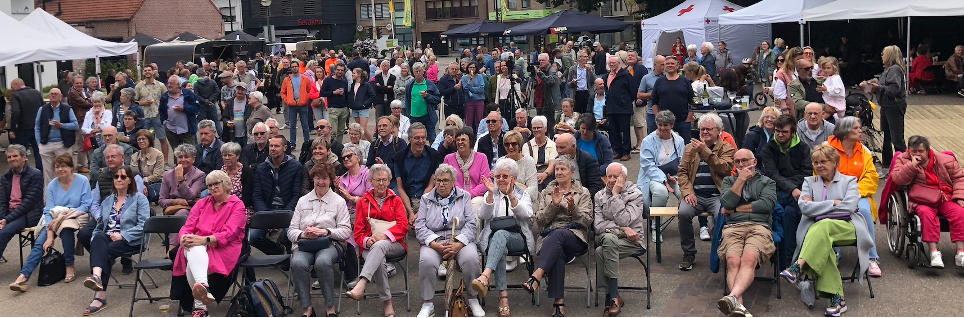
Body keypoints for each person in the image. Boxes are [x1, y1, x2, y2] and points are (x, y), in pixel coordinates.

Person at [781, 144, 873, 317]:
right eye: (816, 162)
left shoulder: (850, 181)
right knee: (825, 245)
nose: (819, 166)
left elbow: (849, 208)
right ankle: (837, 299)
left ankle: (798, 266)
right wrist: (834, 203)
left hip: (848, 227)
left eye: (823, 161)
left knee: (822, 225)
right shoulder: (809, 182)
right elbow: (804, 208)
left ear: (834, 162)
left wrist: (817, 206)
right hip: (821, 233)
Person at [521, 154, 593, 317]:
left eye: (563, 169)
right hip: (549, 237)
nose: (559, 172)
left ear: (572, 172)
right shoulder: (546, 192)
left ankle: (537, 275)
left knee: (559, 234)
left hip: (575, 235)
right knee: (557, 249)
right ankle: (558, 304)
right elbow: (539, 221)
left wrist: (573, 209)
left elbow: (588, 221)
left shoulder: (583, 192)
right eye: (557, 169)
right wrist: (553, 205)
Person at [169, 170, 248, 317]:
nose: (212, 188)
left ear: (226, 184)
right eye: (209, 185)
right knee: (192, 245)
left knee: (192, 261)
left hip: (224, 246)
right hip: (197, 246)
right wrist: (183, 238)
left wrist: (204, 240)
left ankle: (201, 307)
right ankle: (202, 288)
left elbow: (229, 233)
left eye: (216, 184)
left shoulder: (237, 205)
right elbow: (188, 226)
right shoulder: (202, 203)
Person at [8, 154, 92, 292]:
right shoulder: (52, 185)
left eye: (64, 166)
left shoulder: (82, 180)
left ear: (71, 167)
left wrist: (66, 214)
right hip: (55, 218)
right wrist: (50, 236)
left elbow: (86, 205)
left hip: (76, 215)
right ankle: (24, 276)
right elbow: (48, 211)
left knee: (66, 229)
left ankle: (69, 265)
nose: (60, 169)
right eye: (57, 167)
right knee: (41, 243)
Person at [414, 164, 484, 317]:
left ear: (453, 182)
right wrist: (434, 244)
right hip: (435, 239)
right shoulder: (426, 199)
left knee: (471, 258)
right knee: (426, 261)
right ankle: (428, 304)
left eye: (445, 180)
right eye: (438, 180)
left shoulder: (464, 196)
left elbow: (472, 224)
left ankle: (473, 299)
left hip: (460, 239)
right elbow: (419, 226)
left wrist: (459, 244)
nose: (441, 184)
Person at [716, 149, 777, 317]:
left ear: (754, 162)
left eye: (745, 161)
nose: (741, 165)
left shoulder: (767, 182)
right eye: (738, 162)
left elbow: (766, 205)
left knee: (749, 258)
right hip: (733, 227)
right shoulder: (729, 181)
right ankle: (739, 304)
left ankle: (733, 297)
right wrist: (740, 180)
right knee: (733, 261)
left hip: (759, 226)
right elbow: (726, 202)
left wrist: (734, 209)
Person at [81, 165, 150, 315]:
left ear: (130, 180)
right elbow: (100, 226)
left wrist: (123, 235)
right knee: (98, 237)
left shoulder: (140, 199)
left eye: (123, 177)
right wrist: (94, 242)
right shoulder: (108, 201)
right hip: (108, 238)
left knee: (107, 251)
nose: (118, 179)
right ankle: (97, 276)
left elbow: (144, 225)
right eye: (116, 177)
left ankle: (100, 296)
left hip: (132, 241)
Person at [472, 158, 535, 317]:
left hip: (518, 239)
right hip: (495, 241)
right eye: (498, 176)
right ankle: (503, 298)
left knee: (500, 237)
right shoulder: (490, 193)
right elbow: (483, 216)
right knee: (499, 243)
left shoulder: (523, 194)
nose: (500, 179)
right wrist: (491, 196)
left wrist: (512, 196)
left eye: (505, 176)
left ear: (513, 178)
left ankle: (485, 276)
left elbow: (526, 215)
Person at [345, 164, 410, 318]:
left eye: (384, 180)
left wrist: (385, 235)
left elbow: (403, 226)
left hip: (395, 244)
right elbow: (358, 232)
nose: (381, 183)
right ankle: (387, 302)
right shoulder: (362, 202)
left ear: (389, 182)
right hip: (370, 246)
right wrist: (366, 240)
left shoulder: (396, 200)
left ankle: (362, 283)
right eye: (378, 180)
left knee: (380, 245)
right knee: (378, 259)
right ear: (371, 181)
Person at [289, 163, 353, 317]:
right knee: (297, 262)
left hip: (330, 243)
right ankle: (307, 309)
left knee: (322, 262)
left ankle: (330, 308)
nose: (321, 182)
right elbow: (291, 231)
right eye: (318, 178)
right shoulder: (303, 201)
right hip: (304, 244)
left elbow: (346, 232)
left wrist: (325, 231)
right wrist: (305, 234)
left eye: (325, 178)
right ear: (313, 179)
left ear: (331, 180)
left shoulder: (339, 201)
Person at [891, 136, 964, 268]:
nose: (917, 154)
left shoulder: (946, 160)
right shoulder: (903, 160)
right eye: (914, 151)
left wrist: (959, 196)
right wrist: (912, 165)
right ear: (909, 150)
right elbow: (898, 179)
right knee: (926, 214)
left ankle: (961, 253)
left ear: (928, 150)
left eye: (920, 151)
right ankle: (934, 252)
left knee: (959, 212)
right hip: (922, 199)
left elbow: (959, 179)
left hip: (944, 197)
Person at [677, 113, 736, 270]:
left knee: (722, 215)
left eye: (709, 129)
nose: (704, 132)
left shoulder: (727, 148)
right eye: (702, 129)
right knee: (683, 213)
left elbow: (725, 169)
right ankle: (689, 253)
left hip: (717, 195)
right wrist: (688, 192)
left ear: (718, 130)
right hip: (695, 195)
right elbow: (682, 173)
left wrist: (705, 152)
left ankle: (720, 253)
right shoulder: (690, 148)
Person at [826, 116, 882, 276]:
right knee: (834, 209)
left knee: (864, 210)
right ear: (844, 132)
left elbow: (871, 177)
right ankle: (834, 253)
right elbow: (820, 173)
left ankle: (872, 257)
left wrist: (853, 193)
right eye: (856, 128)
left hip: (858, 194)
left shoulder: (864, 151)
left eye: (860, 128)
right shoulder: (827, 149)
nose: (860, 131)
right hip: (833, 194)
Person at [758, 114, 813, 269]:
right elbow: (772, 174)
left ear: (793, 133)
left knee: (790, 214)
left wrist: (791, 187)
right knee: (792, 209)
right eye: (777, 131)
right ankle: (791, 260)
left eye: (784, 132)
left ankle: (786, 260)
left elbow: (806, 173)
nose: (780, 135)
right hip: (778, 193)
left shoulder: (803, 148)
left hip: (795, 193)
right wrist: (793, 189)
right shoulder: (768, 148)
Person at [594, 162, 646, 316]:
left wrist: (616, 195)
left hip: (633, 241)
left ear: (624, 178)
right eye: (609, 176)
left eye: (615, 177)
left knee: (600, 251)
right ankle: (614, 297)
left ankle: (610, 297)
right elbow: (597, 226)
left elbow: (625, 219)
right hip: (610, 239)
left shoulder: (635, 194)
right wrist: (622, 229)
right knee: (608, 240)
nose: (611, 180)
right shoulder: (599, 196)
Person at [637, 111, 685, 241]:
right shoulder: (648, 141)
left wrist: (677, 176)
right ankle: (656, 227)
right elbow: (647, 165)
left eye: (666, 125)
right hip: (652, 175)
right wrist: (664, 180)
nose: (662, 128)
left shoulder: (679, 140)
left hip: (674, 176)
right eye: (660, 125)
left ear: (672, 125)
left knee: (685, 193)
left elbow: (682, 163)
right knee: (661, 192)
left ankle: (685, 224)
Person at [252, 135, 303, 256]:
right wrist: (267, 217)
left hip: (288, 210)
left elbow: (297, 196)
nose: (273, 148)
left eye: (277, 146)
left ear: (285, 148)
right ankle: (278, 251)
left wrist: (281, 218)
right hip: (268, 210)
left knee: (289, 235)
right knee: (253, 237)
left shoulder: (295, 167)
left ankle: (289, 258)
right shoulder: (261, 168)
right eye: (271, 146)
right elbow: (257, 196)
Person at [867, 45, 908, 175]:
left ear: (889, 55)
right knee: (885, 137)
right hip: (886, 106)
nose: (882, 56)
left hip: (894, 107)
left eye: (883, 54)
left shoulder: (895, 69)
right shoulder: (887, 70)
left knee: (896, 139)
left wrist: (879, 87)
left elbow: (893, 89)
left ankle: (904, 166)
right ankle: (887, 166)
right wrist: (875, 86)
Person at [0, 145, 44, 266]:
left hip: (28, 214)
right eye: (9, 157)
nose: (12, 159)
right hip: (9, 213)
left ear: (24, 157)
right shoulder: (6, 177)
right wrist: (2, 218)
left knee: (3, 233)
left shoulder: (35, 174)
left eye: (15, 156)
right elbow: (3, 201)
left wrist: (7, 220)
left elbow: (28, 203)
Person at [393, 123, 441, 223]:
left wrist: (420, 212)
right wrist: (411, 213)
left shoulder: (434, 156)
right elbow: (400, 188)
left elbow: (430, 186)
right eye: (417, 138)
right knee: (398, 216)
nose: (421, 141)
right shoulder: (399, 158)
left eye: (423, 138)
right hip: (406, 197)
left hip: (427, 197)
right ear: (409, 139)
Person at [160, 144, 206, 246]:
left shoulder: (199, 175)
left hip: (191, 209)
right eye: (180, 157)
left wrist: (181, 180)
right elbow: (161, 200)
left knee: (182, 213)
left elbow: (191, 196)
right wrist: (175, 201)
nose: (183, 160)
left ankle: (173, 247)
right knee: (180, 213)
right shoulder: (168, 175)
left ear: (193, 160)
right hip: (171, 209)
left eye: (187, 157)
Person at [34, 88, 79, 186]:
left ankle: (67, 192)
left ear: (61, 97)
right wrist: (39, 143)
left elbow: (75, 125)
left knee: (65, 170)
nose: (53, 96)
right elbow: (37, 126)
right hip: (46, 144)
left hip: (62, 144)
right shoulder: (42, 109)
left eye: (56, 94)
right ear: (49, 97)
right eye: (51, 94)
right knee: (47, 173)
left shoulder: (67, 109)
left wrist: (62, 125)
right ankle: (49, 197)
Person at [652, 57, 695, 144]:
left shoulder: (685, 81)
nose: (670, 65)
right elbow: (654, 101)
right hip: (664, 123)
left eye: (672, 63)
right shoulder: (659, 81)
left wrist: (689, 119)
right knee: (665, 146)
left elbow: (692, 101)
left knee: (686, 147)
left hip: (683, 121)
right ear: (664, 66)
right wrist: (658, 118)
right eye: (667, 64)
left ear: (678, 66)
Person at [134, 65, 171, 166]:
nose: (147, 72)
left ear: (153, 72)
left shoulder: (161, 85)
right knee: (146, 140)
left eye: (149, 70)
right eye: (145, 70)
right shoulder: (139, 86)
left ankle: (165, 161)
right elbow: (135, 101)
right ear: (143, 73)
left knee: (162, 138)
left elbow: (166, 100)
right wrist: (144, 102)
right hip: (144, 117)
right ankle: (149, 161)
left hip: (157, 116)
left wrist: (164, 113)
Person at [602, 56, 635, 162]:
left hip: (623, 108)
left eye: (613, 62)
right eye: (609, 63)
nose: (611, 64)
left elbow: (633, 90)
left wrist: (625, 101)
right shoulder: (607, 76)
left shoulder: (625, 75)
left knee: (625, 131)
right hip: (611, 108)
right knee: (614, 130)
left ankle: (626, 152)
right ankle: (618, 151)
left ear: (618, 63)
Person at [8, 79, 45, 172]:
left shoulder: (17, 95)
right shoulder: (36, 92)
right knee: (38, 151)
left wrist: (12, 129)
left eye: (12, 87)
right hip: (37, 126)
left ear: (17, 85)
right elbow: (43, 107)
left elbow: (16, 111)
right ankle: (39, 172)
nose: (12, 90)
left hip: (23, 128)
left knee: (19, 152)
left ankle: (22, 171)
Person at [159, 75, 200, 152]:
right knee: (177, 153)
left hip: (187, 129)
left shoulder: (188, 94)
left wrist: (184, 109)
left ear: (178, 85)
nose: (169, 85)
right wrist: (164, 122)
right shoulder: (165, 97)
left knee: (191, 152)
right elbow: (161, 111)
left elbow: (196, 108)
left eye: (171, 83)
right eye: (168, 83)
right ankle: (178, 164)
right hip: (171, 130)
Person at [367, 116, 408, 192]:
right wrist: (378, 168)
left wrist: (385, 167)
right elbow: (369, 165)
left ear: (391, 129)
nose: (381, 128)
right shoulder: (374, 145)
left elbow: (403, 166)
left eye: (385, 126)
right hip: (378, 179)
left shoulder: (400, 143)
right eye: (379, 126)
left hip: (394, 180)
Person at [406, 63, 442, 142]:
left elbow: (437, 98)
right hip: (414, 116)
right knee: (414, 138)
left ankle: (431, 153)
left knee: (431, 138)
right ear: (413, 73)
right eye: (416, 71)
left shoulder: (429, 84)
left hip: (427, 116)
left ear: (423, 72)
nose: (418, 73)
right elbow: (407, 100)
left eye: (420, 71)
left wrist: (427, 96)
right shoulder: (410, 85)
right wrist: (408, 114)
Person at [281, 62, 313, 148]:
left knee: (305, 124)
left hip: (303, 104)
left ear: (298, 67)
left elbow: (310, 90)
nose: (294, 68)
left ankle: (307, 142)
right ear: (291, 69)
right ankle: (292, 143)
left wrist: (306, 99)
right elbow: (283, 92)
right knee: (292, 126)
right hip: (291, 105)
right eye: (293, 67)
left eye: (296, 66)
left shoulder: (305, 78)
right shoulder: (287, 79)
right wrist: (287, 101)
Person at [67, 76, 95, 173]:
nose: (79, 85)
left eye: (80, 83)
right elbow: (86, 103)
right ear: (73, 84)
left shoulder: (82, 91)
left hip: (86, 119)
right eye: (77, 83)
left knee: (89, 141)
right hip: (80, 120)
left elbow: (90, 100)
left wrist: (90, 100)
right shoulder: (73, 93)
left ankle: (90, 163)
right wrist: (91, 101)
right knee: (82, 144)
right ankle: (80, 165)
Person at [337, 144, 372, 217]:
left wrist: (351, 198)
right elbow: (339, 201)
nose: (346, 159)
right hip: (346, 214)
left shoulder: (368, 175)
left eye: (349, 156)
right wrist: (337, 188)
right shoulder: (342, 178)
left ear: (359, 158)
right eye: (343, 158)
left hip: (364, 213)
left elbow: (372, 200)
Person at [220, 142, 255, 214]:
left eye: (230, 155)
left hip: (241, 207)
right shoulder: (220, 171)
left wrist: (231, 206)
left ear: (237, 156)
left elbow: (248, 198)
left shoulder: (246, 172)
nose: (226, 158)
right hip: (221, 205)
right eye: (224, 155)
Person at [524, 116, 557, 192]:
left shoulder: (553, 145)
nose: (536, 130)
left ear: (545, 129)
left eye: (538, 128)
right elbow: (527, 166)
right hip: (531, 178)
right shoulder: (526, 146)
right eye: (534, 128)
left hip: (548, 177)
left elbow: (552, 164)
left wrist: (545, 174)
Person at [320, 63, 351, 143]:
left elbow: (347, 95)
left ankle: (338, 147)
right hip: (333, 108)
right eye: (338, 70)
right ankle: (331, 147)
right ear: (335, 70)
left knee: (341, 131)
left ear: (344, 72)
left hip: (344, 108)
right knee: (333, 131)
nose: (340, 72)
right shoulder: (328, 80)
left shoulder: (344, 82)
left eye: (342, 70)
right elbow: (322, 93)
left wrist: (348, 107)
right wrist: (334, 92)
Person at [637, 55, 665, 139]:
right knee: (653, 137)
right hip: (652, 113)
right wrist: (654, 94)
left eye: (665, 64)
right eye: (662, 64)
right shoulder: (646, 78)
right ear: (655, 65)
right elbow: (639, 94)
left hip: (667, 112)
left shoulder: (668, 76)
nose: (664, 67)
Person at [534, 53, 562, 129]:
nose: (541, 62)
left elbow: (550, 80)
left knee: (550, 125)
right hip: (539, 102)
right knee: (540, 124)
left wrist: (539, 73)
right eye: (539, 60)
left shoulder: (552, 70)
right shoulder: (539, 70)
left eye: (543, 60)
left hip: (549, 102)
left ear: (548, 61)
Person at [773, 48, 801, 114]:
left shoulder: (802, 70)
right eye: (798, 59)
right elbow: (780, 95)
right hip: (790, 108)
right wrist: (785, 111)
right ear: (791, 59)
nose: (800, 61)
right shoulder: (782, 73)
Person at [462, 62, 487, 131]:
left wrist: (471, 89)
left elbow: (481, 89)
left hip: (479, 100)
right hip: (469, 101)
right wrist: (470, 81)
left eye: (473, 67)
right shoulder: (464, 77)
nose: (472, 69)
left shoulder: (480, 76)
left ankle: (479, 136)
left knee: (479, 120)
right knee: (468, 121)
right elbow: (465, 89)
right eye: (470, 67)